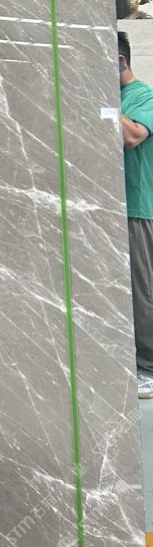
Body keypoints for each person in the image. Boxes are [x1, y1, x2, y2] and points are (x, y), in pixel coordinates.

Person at [119, 31, 153, 397]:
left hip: (141, 209)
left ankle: (149, 368)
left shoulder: (143, 96)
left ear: (120, 61)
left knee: (143, 292)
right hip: (117, 209)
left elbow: (132, 136)